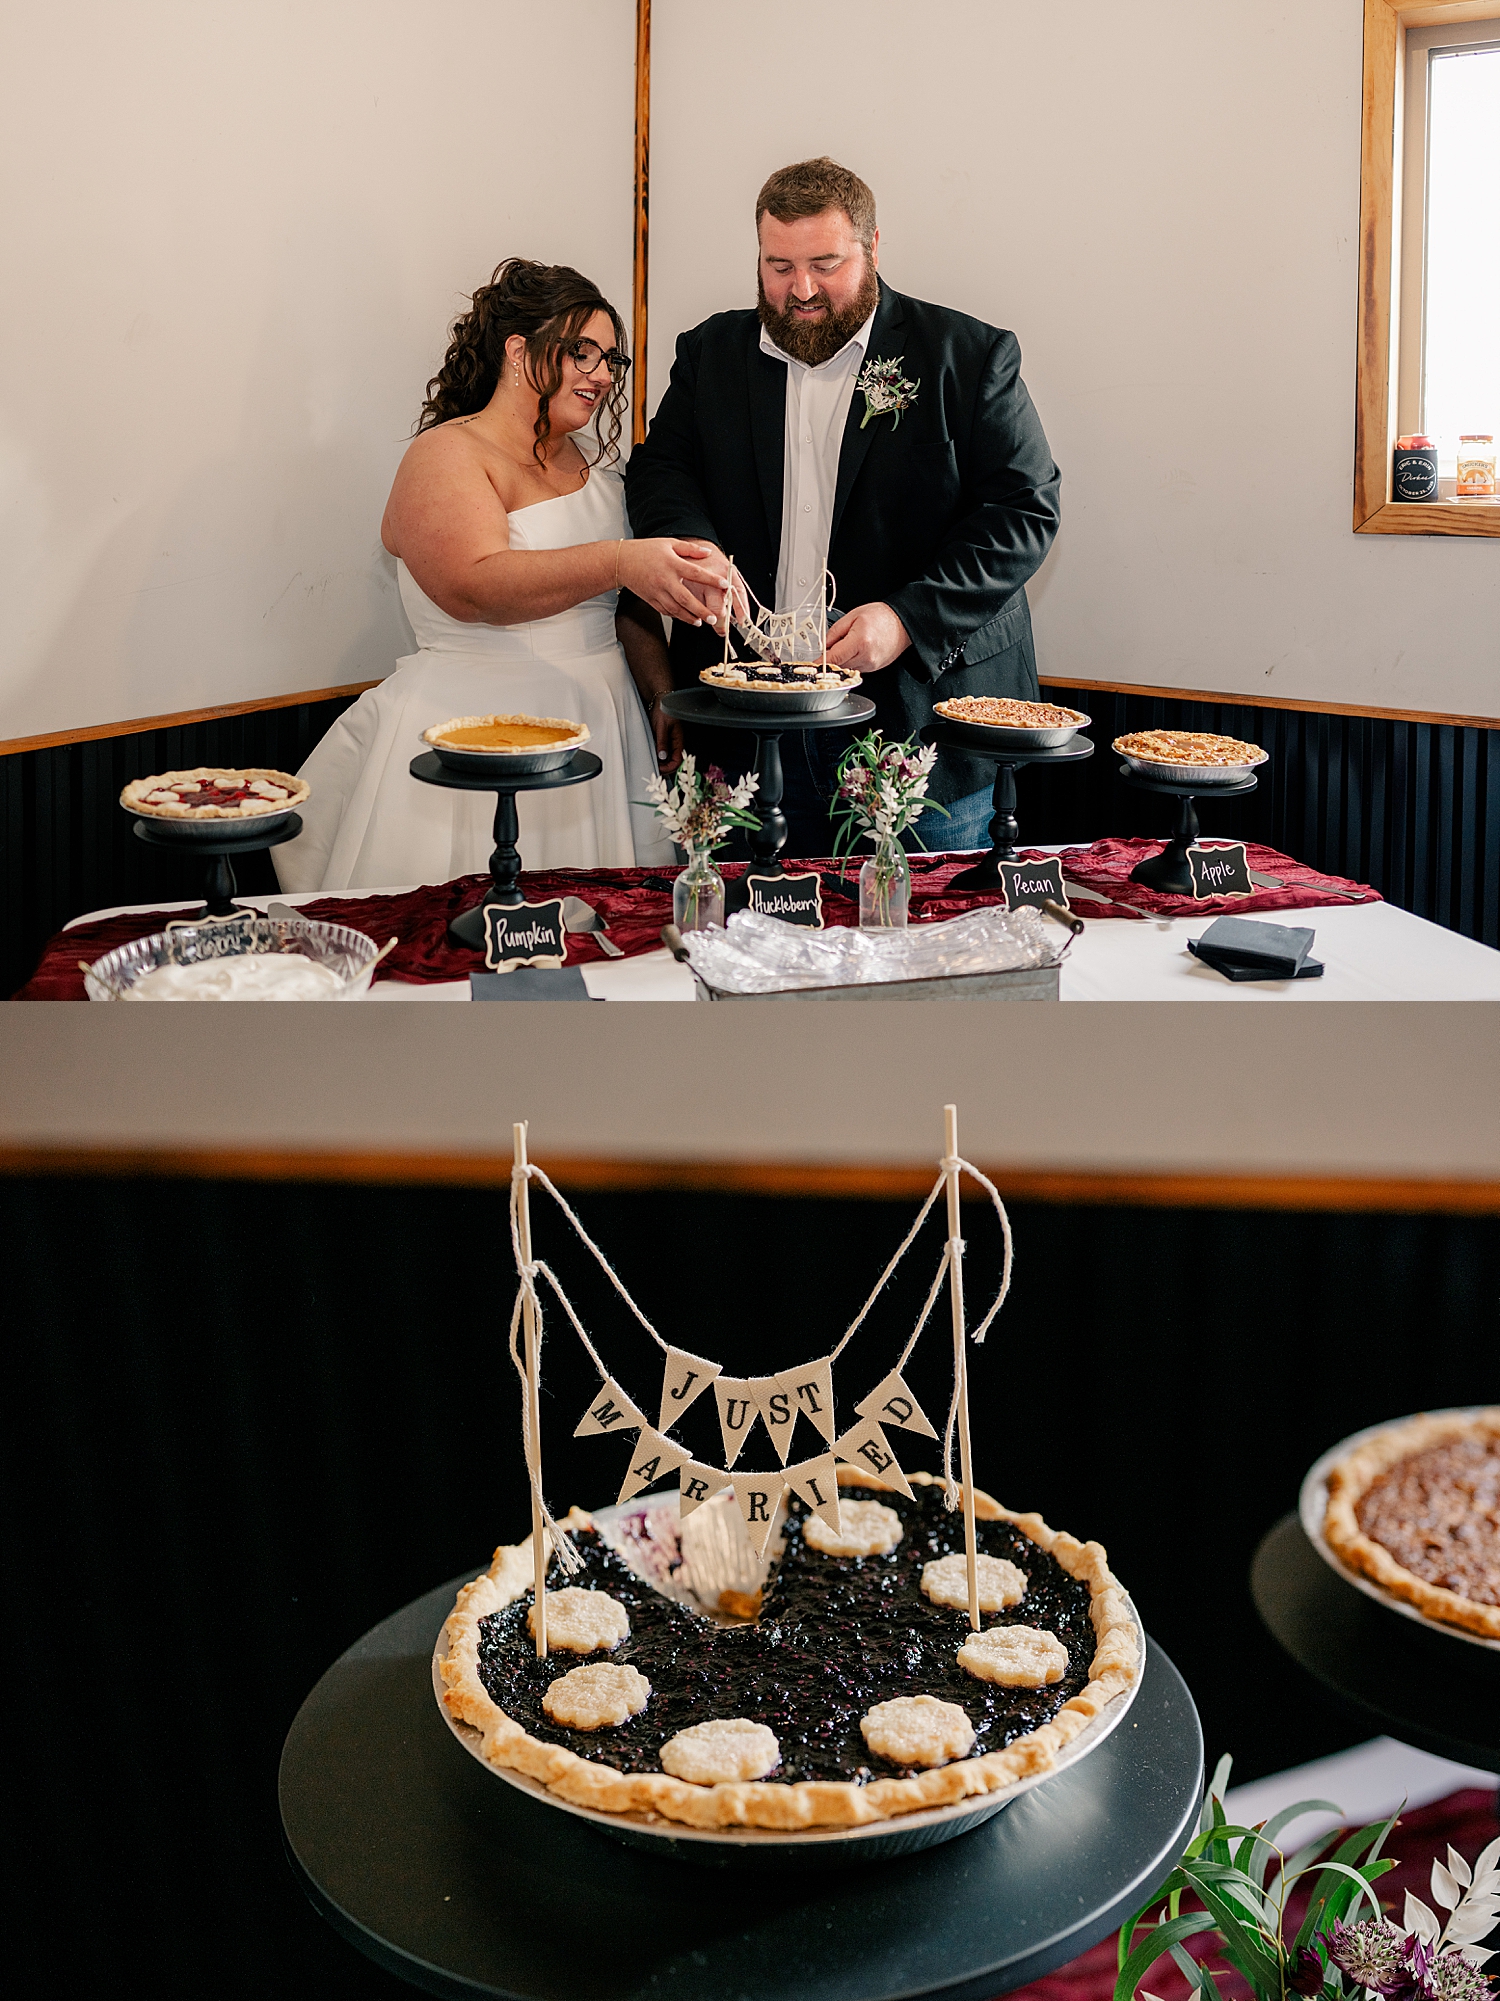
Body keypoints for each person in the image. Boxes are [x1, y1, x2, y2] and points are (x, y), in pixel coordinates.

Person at [625, 158, 1061, 857]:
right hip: (745, 732)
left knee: (919, 951)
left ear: (874, 247)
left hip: (918, 737)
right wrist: (692, 548)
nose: (801, 290)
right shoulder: (711, 352)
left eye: (825, 263)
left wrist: (907, 618)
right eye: (778, 266)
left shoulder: (967, 356)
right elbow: (659, 469)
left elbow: (1025, 510)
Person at [277, 260, 729, 892]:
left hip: (603, 717)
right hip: (478, 723)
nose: (602, 375)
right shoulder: (447, 453)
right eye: (583, 352)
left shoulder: (592, 465)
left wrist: (657, 691)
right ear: (520, 351)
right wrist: (622, 558)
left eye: (611, 359)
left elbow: (623, 604)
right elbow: (473, 587)